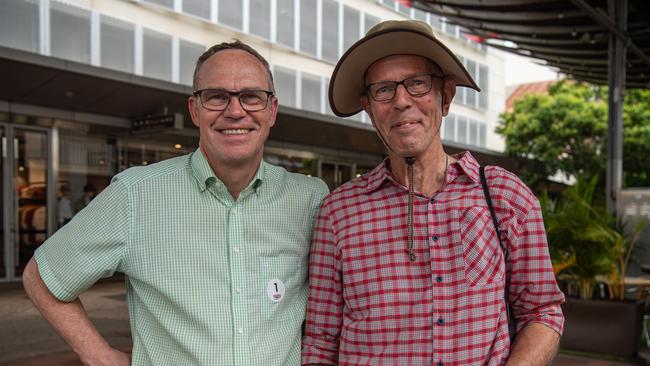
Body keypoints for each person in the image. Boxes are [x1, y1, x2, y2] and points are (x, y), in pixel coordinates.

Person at [22, 40, 328, 366]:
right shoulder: (135, 195)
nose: (235, 110)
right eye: (216, 97)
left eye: (251, 96)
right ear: (195, 110)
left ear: (272, 111)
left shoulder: (311, 200)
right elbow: (42, 277)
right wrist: (99, 355)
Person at [302, 20, 564, 366]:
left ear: (446, 96)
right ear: (368, 108)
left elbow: (542, 311)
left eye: (416, 84)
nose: (401, 101)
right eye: (383, 90)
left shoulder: (505, 197)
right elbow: (320, 342)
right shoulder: (339, 213)